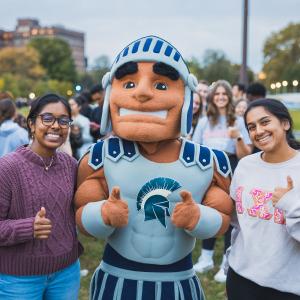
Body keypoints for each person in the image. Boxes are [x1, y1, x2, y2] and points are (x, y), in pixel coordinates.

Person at [74, 36, 233, 299]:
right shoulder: (102, 157)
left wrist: (198, 218)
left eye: (161, 84)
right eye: (129, 83)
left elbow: (223, 217)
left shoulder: (206, 161)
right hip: (117, 277)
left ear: (186, 96)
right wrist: (102, 214)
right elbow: (81, 214)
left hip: (177, 280)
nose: (143, 92)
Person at [0, 93, 83, 300]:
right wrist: (28, 227)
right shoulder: (7, 168)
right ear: (31, 124)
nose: (56, 126)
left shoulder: (71, 165)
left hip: (67, 271)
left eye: (64, 120)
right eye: (47, 118)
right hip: (19, 279)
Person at [227, 98, 300, 300]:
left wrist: (290, 203)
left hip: (287, 287)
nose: (258, 131)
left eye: (265, 122)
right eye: (251, 127)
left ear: (285, 123)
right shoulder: (245, 166)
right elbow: (238, 222)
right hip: (240, 277)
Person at [192, 80, 252, 282]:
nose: (220, 97)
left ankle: (227, 263)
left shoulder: (238, 121)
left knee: (230, 213)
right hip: (208, 170)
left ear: (229, 97)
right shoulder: (204, 121)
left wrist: (237, 138)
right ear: (211, 97)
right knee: (210, 211)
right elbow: (195, 148)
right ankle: (206, 257)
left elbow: (246, 155)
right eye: (216, 94)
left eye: (224, 94)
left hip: (232, 168)